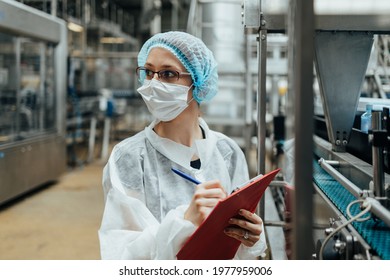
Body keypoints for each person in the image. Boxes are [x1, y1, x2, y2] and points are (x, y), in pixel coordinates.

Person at [98, 31, 267, 259]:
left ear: (198, 82)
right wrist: (184, 222)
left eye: (167, 74)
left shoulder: (227, 153)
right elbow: (121, 254)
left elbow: (238, 249)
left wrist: (251, 238)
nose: (153, 84)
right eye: (148, 72)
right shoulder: (128, 158)